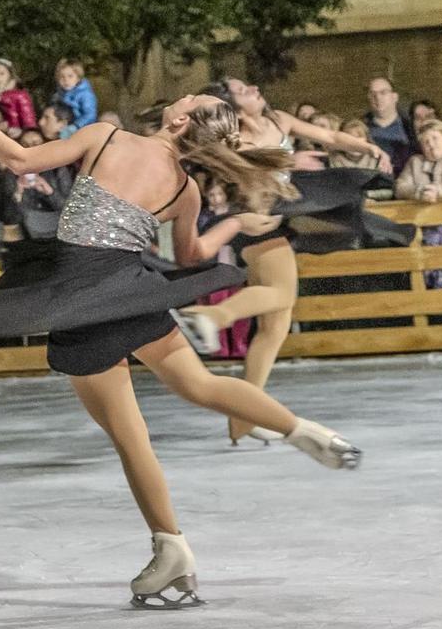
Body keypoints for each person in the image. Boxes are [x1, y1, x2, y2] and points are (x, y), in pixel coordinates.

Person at [0, 96, 361, 607]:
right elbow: (193, 255)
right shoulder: (185, 188)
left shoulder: (106, 137)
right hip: (130, 291)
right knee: (201, 385)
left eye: (190, 98)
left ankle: (171, 550)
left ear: (179, 120)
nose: (182, 96)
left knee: (132, 440)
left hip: (82, 301)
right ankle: (305, 430)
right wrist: (236, 225)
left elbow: (19, 160)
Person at [174, 78, 407, 437]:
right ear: (231, 106)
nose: (253, 87)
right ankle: (207, 316)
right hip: (256, 222)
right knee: (283, 297)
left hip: (280, 219)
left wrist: (370, 148)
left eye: (250, 85)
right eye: (241, 90)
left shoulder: (280, 120)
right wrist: (289, 158)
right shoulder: (233, 139)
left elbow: (330, 138)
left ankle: (243, 420)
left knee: (275, 327)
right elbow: (247, 168)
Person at [364, 76, 414, 171]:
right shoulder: (360, 127)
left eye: (383, 92)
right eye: (372, 94)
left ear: (395, 97)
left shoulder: (411, 127)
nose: (377, 97)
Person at [0, 58, 36, 131]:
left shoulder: (20, 95)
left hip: (16, 133)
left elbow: (29, 121)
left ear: (10, 74)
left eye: (2, 74)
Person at [50, 60, 97, 132]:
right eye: (62, 77)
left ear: (78, 78)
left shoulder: (85, 94)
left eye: (70, 76)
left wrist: (76, 125)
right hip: (66, 126)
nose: (66, 80)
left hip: (84, 128)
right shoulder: (60, 93)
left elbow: (90, 114)